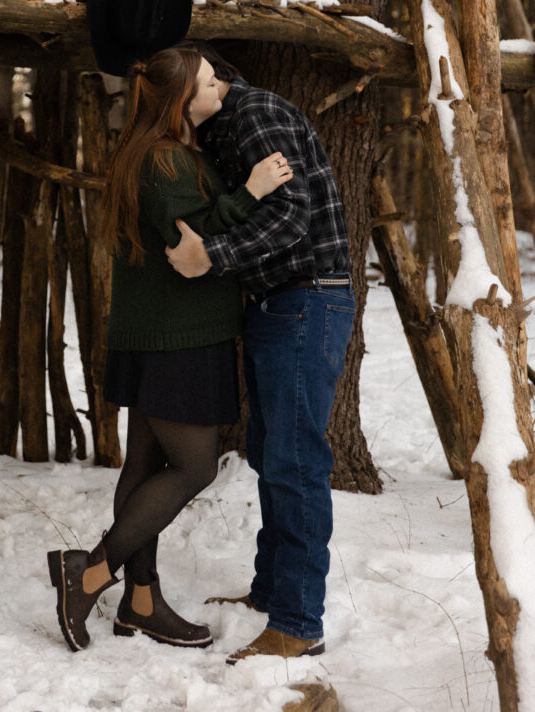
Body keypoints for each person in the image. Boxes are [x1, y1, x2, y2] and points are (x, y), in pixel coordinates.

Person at [47, 46, 293, 653]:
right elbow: (195, 238)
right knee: (194, 467)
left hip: (164, 330)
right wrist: (255, 189)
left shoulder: (169, 153)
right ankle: (92, 573)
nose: (222, 90)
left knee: (145, 466)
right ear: (182, 100)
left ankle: (141, 601)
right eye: (210, 83)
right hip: (177, 335)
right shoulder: (162, 162)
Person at [165, 46, 355, 663]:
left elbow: (292, 214)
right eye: (203, 80)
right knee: (275, 456)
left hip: (305, 301)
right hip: (281, 304)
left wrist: (212, 257)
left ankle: (298, 624)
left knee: (295, 464)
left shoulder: (252, 115)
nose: (215, 82)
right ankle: (273, 592)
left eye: (212, 74)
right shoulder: (222, 126)